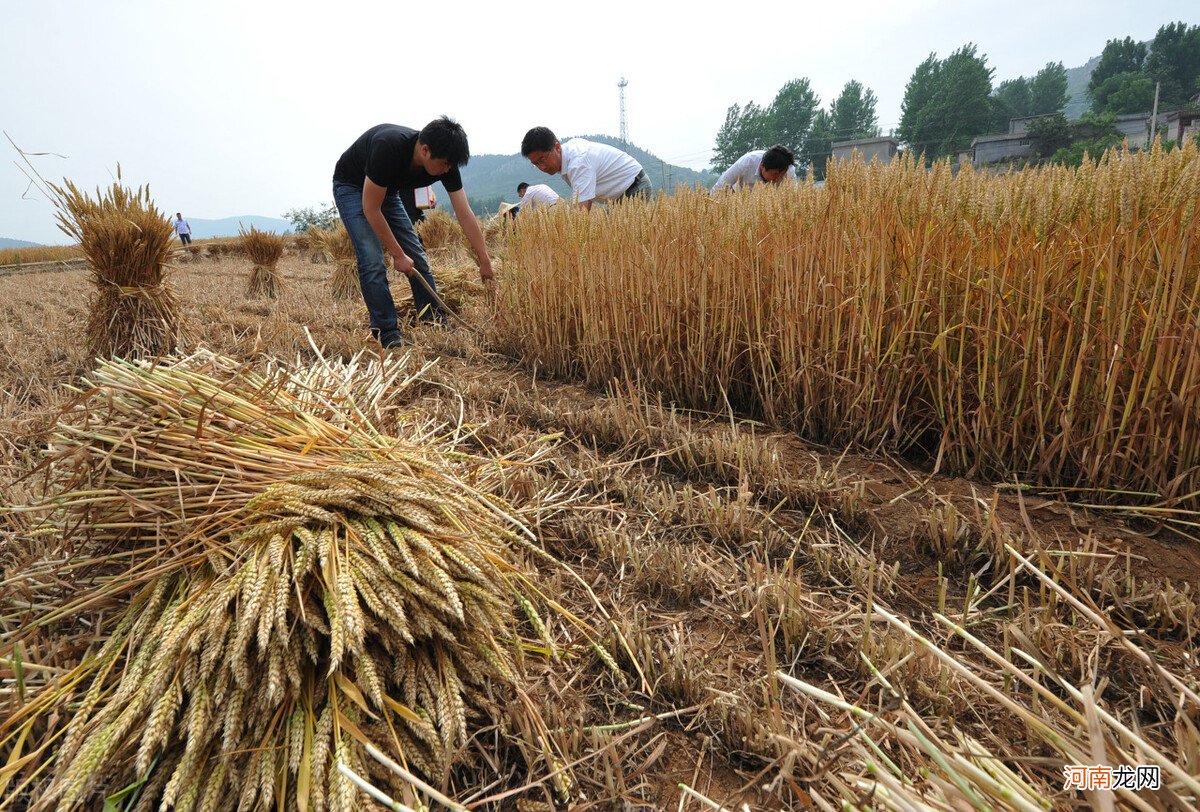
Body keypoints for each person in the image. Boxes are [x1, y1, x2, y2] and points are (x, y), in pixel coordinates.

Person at [332, 118, 494, 349]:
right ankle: (387, 331)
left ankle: (433, 320)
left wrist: (484, 259)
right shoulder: (388, 147)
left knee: (416, 256)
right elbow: (371, 208)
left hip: (387, 192)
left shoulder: (445, 161)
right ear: (425, 150)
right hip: (352, 187)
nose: (447, 170)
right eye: (445, 164)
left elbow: (465, 214)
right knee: (372, 259)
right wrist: (397, 255)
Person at [520, 127, 650, 210]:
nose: (542, 167)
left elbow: (581, 213)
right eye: (536, 164)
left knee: (624, 241)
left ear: (557, 147)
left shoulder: (578, 163)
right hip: (617, 197)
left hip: (635, 187)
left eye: (542, 160)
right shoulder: (568, 158)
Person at [711, 145, 797, 192]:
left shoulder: (789, 171)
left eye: (782, 174)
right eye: (775, 174)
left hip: (769, 205)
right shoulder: (747, 162)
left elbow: (794, 198)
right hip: (740, 197)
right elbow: (721, 185)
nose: (778, 178)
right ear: (762, 166)